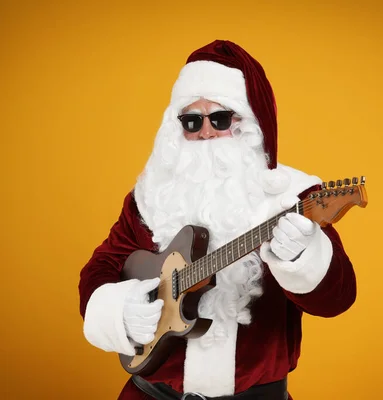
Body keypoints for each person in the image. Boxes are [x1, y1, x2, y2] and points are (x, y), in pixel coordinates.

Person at [78, 40, 357, 400]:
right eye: (191, 121)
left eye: (220, 118)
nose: (205, 132)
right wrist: (121, 309)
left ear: (249, 124)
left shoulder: (294, 197)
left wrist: (303, 258)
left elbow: (338, 299)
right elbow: (101, 267)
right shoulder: (150, 197)